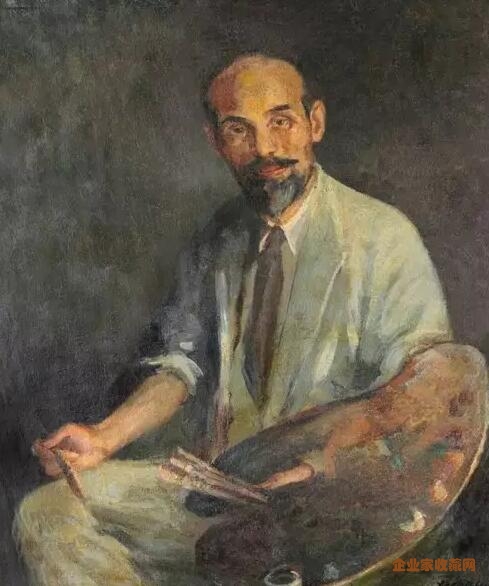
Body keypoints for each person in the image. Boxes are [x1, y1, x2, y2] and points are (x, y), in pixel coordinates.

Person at [14, 53, 487, 586]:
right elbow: (181, 367)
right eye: (240, 130)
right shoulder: (219, 237)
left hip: (326, 513)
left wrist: (323, 470)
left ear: (315, 123)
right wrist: (103, 437)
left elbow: (429, 397)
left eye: (281, 121)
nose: (265, 148)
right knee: (49, 515)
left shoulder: (384, 238)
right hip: (216, 488)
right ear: (216, 141)